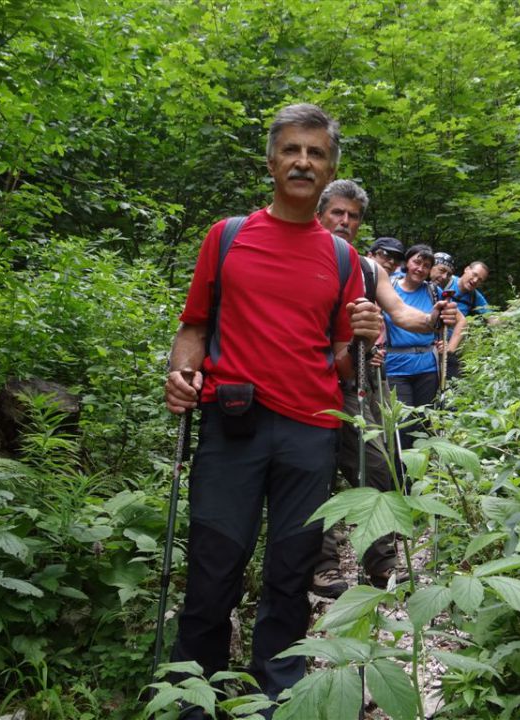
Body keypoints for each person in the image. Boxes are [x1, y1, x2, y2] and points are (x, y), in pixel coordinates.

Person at [163, 103, 381, 717]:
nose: (303, 162)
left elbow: (344, 363)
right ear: (272, 162)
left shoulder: (341, 259)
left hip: (310, 433)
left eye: (316, 153)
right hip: (232, 425)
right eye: (292, 150)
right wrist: (180, 373)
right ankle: (191, 697)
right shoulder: (227, 237)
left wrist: (364, 332)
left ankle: (276, 698)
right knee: (212, 570)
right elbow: (194, 327)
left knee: (290, 576)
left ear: (331, 166)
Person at [313, 180, 456, 597]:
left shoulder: (367, 268)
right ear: (321, 213)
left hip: (357, 385)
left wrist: (433, 320)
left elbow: (401, 313)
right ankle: (322, 564)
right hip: (310, 380)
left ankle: (380, 558)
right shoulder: (301, 256)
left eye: (353, 216)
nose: (344, 222)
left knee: (378, 465)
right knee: (314, 473)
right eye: (337, 212)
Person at [383, 245, 463, 449]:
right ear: (406, 263)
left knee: (422, 422)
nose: (420, 268)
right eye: (417, 262)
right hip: (395, 368)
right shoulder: (388, 288)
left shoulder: (433, 292)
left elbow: (457, 320)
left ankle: (418, 473)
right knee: (401, 425)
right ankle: (399, 474)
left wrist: (449, 346)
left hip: (427, 368)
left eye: (426, 266)